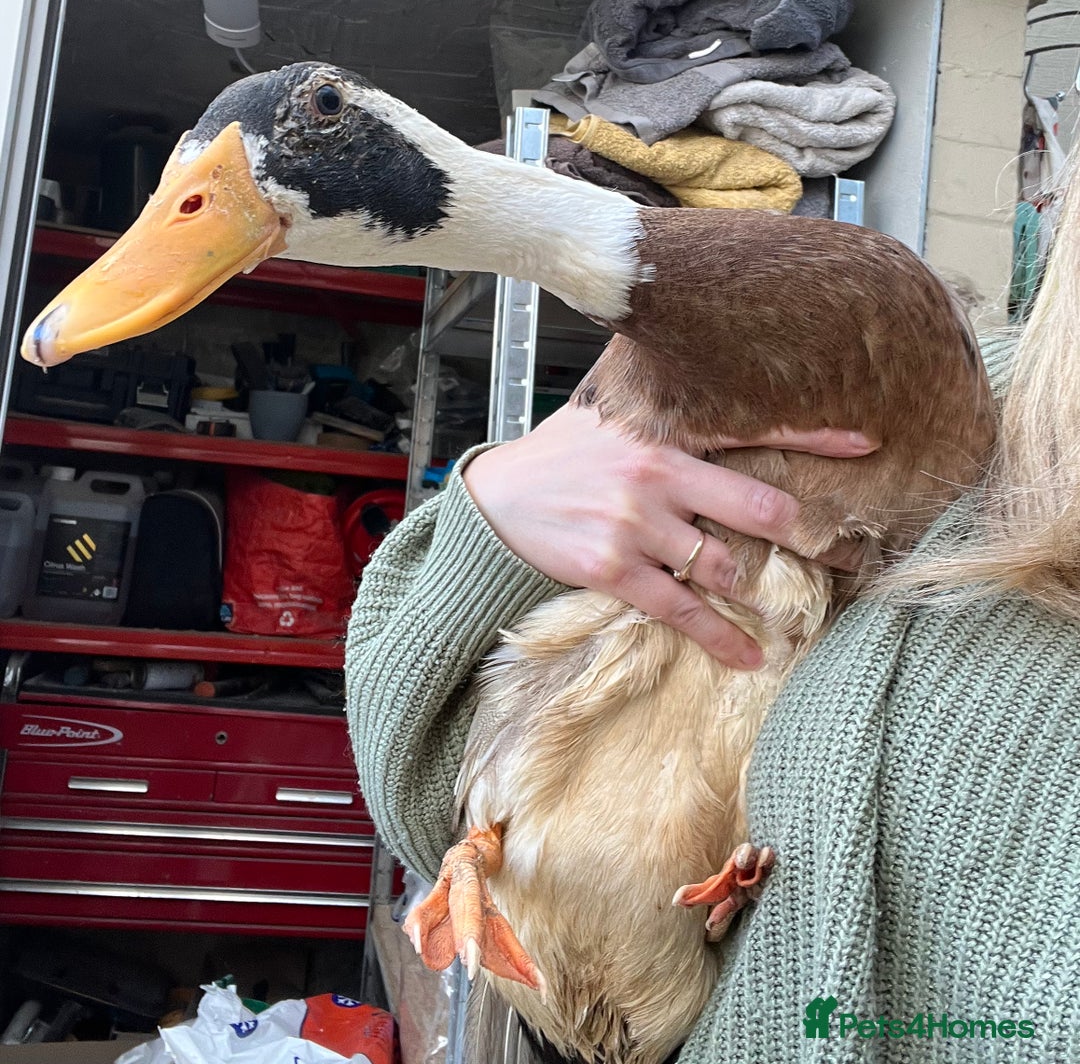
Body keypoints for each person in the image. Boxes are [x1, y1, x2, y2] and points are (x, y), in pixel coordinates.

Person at [346, 229, 1080, 1061]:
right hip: (558, 922)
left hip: (654, 990)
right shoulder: (992, 400)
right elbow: (419, 784)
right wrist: (497, 513)